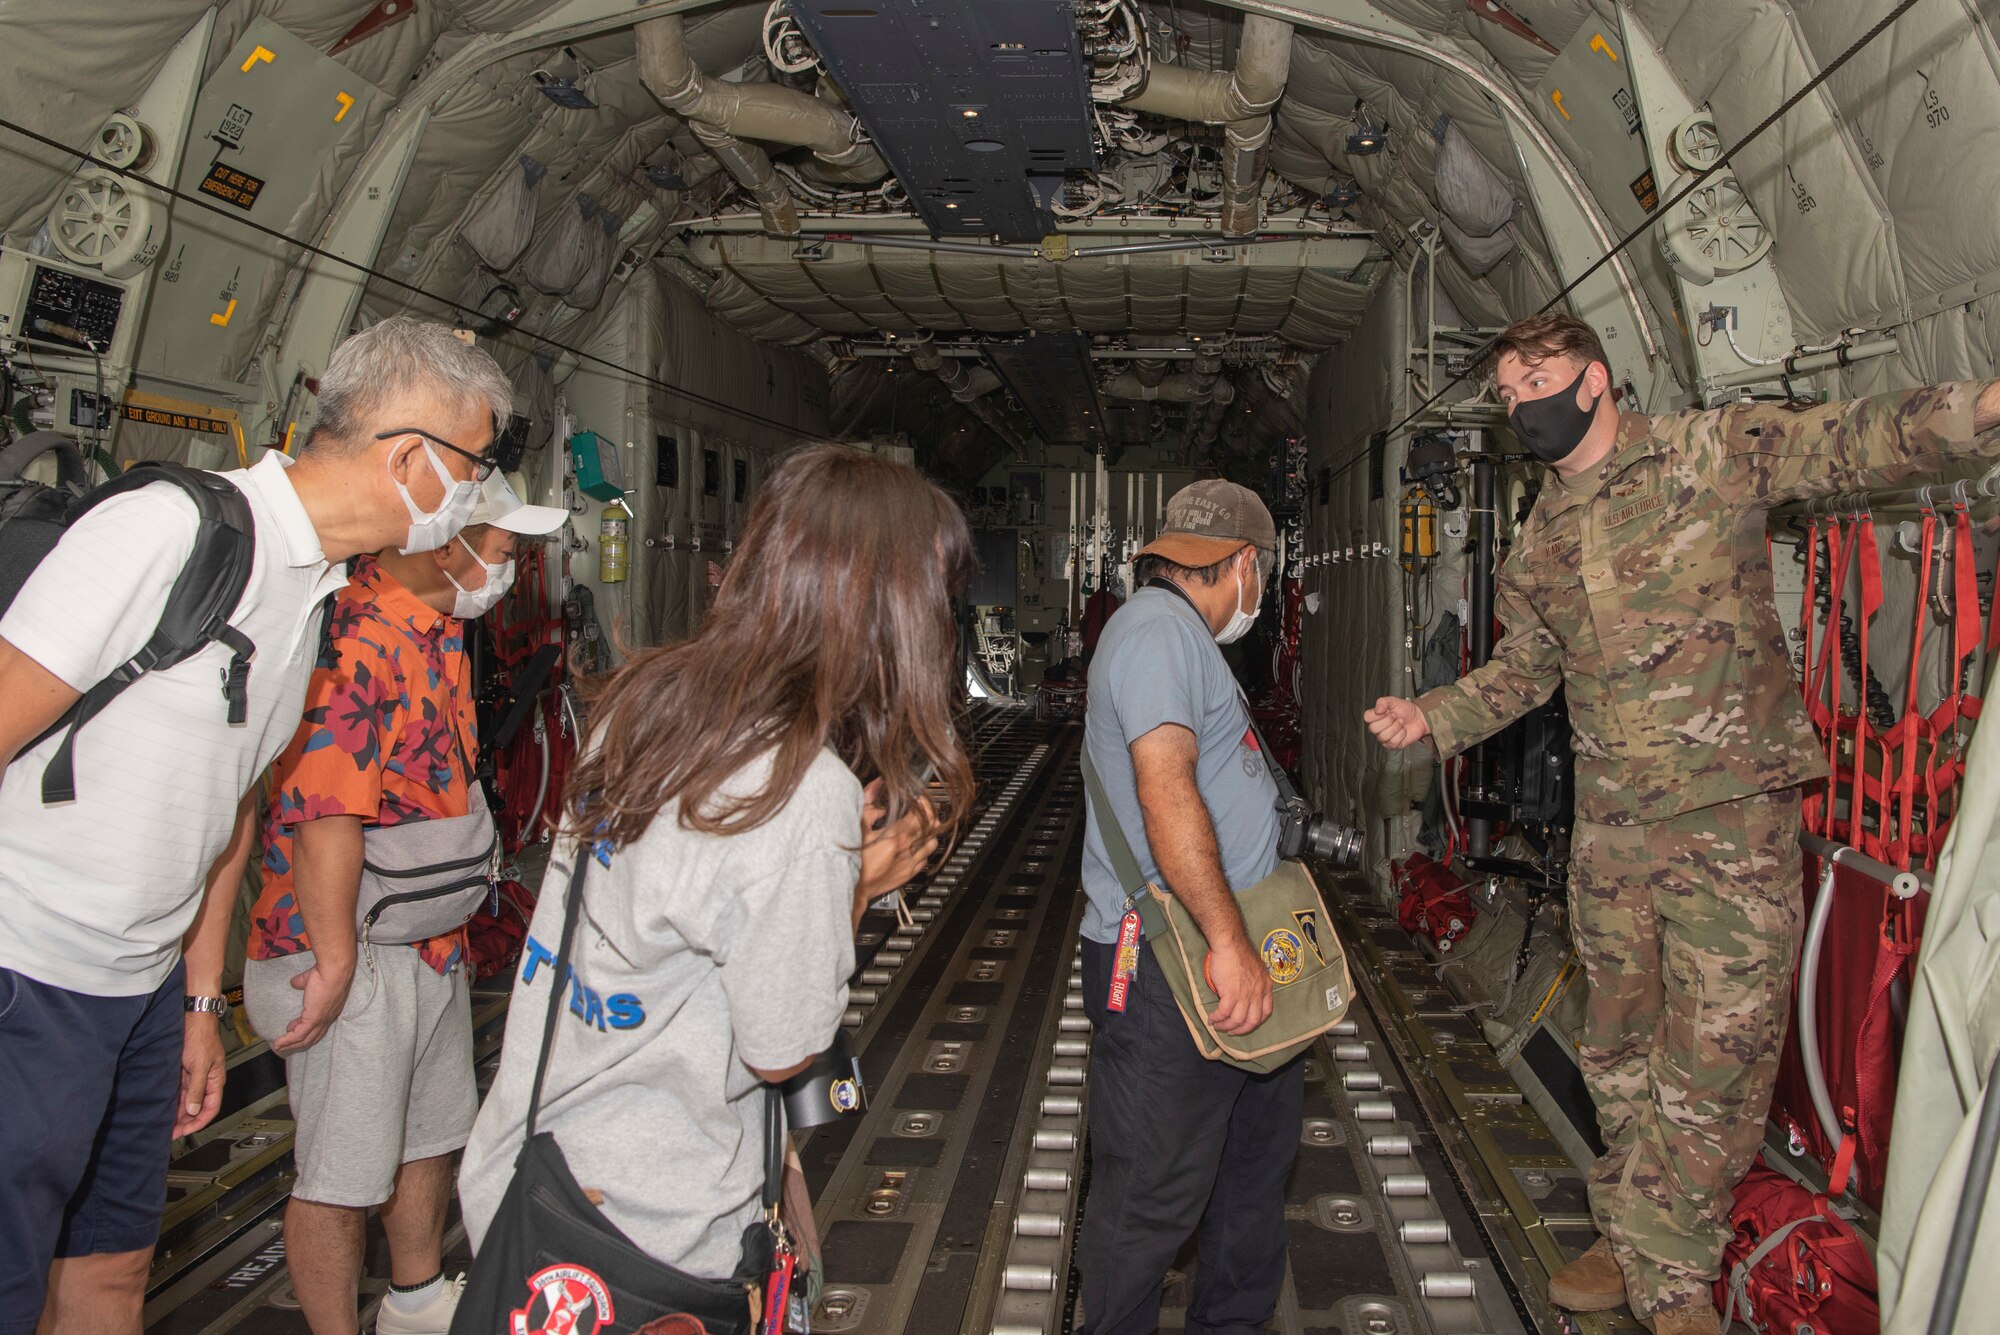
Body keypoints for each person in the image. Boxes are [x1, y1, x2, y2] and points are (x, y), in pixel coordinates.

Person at [1363, 312, 2000, 1335]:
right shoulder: (1537, 540)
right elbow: (1525, 669)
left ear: (1596, 379)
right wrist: (1430, 715)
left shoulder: (1706, 454)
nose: (1521, 398)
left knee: (1719, 1051)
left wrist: (1975, 412)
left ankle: (1673, 1280)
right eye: (1506, 387)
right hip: (1614, 828)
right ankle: (1631, 1239)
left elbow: (1847, 438)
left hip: (1728, 819)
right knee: (1616, 1048)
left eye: (1538, 375)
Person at [0, 316, 512, 1335]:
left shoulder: (309, 595)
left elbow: (231, 807)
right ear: (410, 458)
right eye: (476, 464)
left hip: (139, 988)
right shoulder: (166, 530)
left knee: (109, 1275)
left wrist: (196, 1000)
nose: (474, 495)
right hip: (30, 966)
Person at [456, 445, 972, 1289]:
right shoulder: (802, 794)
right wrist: (856, 886)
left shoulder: (645, 700)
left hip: (533, 1171)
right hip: (649, 1230)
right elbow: (785, 1047)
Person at [227, 470, 564, 1335]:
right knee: (342, 1173)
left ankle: (413, 1302)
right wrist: (335, 961)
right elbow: (323, 813)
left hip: (425, 936)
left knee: (430, 1131)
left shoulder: (438, 631)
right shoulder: (356, 637)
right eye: (500, 544)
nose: (511, 561)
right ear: (444, 540)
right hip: (350, 943)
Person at [1076, 479, 1293, 1335]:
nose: (1262, 594)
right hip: (1177, 961)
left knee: (1249, 1184)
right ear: (1243, 563)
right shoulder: (1159, 631)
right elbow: (1165, 793)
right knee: (1149, 1199)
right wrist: (1228, 943)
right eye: (1264, 574)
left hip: (1224, 954)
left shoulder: (1187, 641)